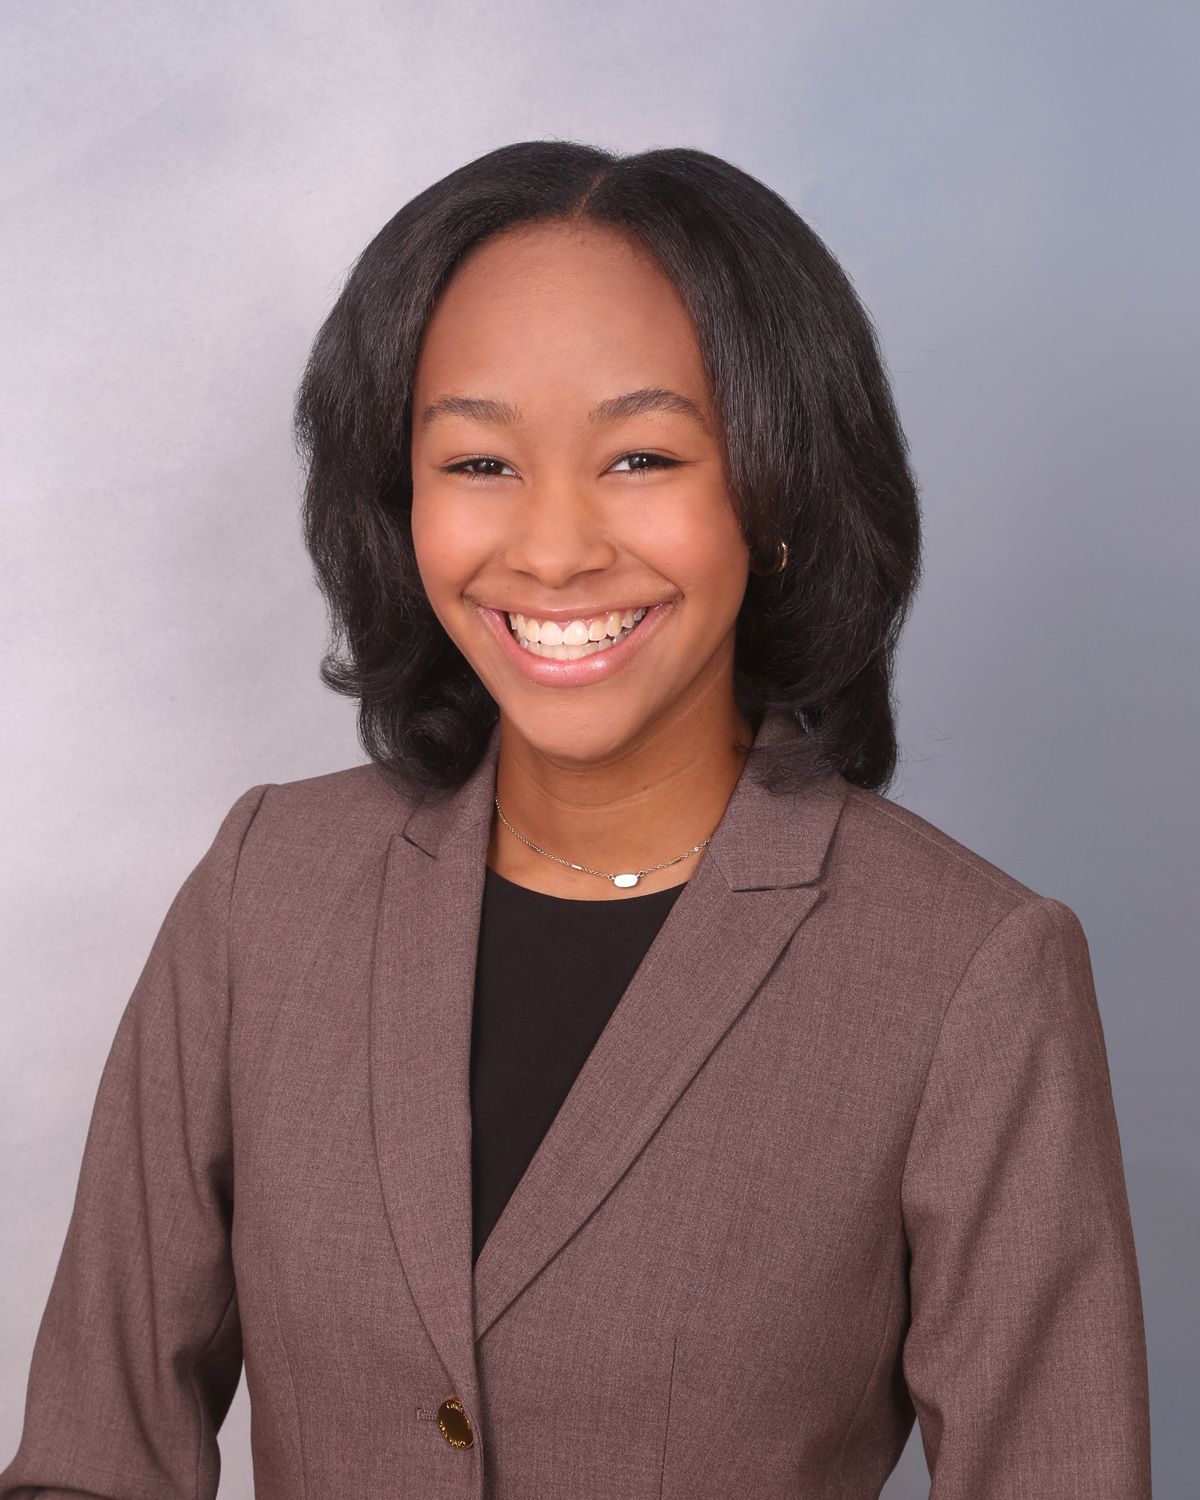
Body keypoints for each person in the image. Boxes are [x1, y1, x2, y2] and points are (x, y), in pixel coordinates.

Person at [1, 139, 1151, 1498]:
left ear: (777, 494)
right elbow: (90, 1461)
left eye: (642, 455)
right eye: (480, 461)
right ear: (399, 494)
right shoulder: (267, 890)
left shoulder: (971, 972)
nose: (552, 550)